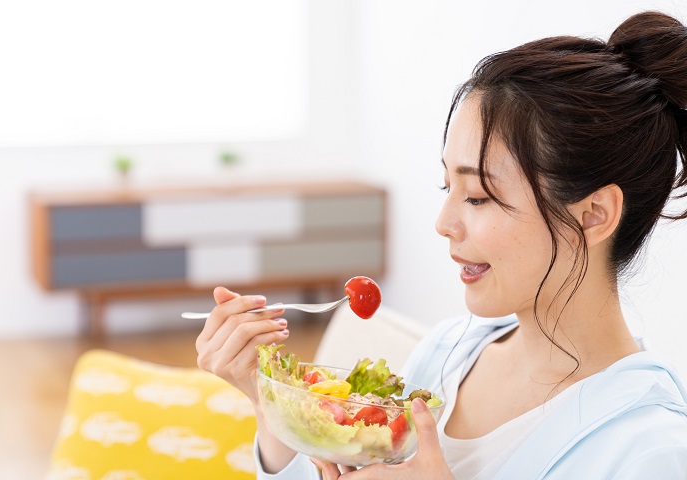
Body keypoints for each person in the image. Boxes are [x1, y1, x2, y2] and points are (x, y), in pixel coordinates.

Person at [195, 10, 687, 479]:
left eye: (478, 195)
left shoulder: (652, 449)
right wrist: (272, 405)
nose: (443, 223)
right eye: (446, 187)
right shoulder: (446, 355)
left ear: (593, 215)